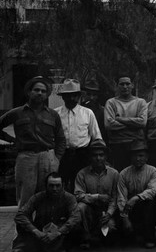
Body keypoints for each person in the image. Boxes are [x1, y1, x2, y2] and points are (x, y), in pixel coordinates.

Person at [0, 76, 66, 208]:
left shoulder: (53, 115)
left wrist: (56, 158)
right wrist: (12, 140)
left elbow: (61, 139)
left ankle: (44, 227)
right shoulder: (17, 113)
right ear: (29, 92)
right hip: (26, 157)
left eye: (43, 91)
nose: (40, 93)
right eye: (36, 90)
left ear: (47, 94)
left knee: (47, 195)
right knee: (25, 196)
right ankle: (23, 227)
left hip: (48, 157)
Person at [14, 172, 80, 252]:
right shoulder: (38, 197)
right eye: (51, 186)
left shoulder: (69, 198)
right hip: (40, 233)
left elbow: (76, 217)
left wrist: (58, 233)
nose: (54, 189)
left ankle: (52, 250)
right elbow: (20, 215)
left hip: (59, 233)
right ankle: (38, 249)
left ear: (63, 185)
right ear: (46, 186)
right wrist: (36, 231)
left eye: (58, 185)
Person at [55, 79, 102, 192]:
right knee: (61, 184)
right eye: (68, 95)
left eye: (74, 95)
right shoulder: (56, 114)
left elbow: (97, 137)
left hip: (82, 155)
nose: (71, 98)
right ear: (63, 97)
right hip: (62, 155)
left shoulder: (87, 113)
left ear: (79, 96)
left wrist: (97, 157)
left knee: (82, 185)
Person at [74, 139, 120, 249]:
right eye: (95, 155)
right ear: (90, 157)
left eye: (101, 155)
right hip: (90, 211)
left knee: (110, 235)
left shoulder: (114, 174)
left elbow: (115, 197)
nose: (98, 158)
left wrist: (109, 214)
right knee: (81, 207)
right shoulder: (82, 174)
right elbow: (78, 195)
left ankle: (103, 233)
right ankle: (86, 236)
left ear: (106, 157)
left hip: (107, 211)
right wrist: (97, 197)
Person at [117, 141, 156, 248]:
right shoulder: (123, 174)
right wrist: (125, 218)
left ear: (147, 157)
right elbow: (121, 197)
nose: (138, 158)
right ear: (130, 157)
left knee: (151, 202)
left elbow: (151, 191)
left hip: (145, 207)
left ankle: (149, 237)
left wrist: (136, 198)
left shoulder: (153, 171)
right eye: (134, 155)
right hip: (129, 208)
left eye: (141, 155)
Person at [104, 76, 148, 172]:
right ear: (117, 86)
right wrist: (133, 124)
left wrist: (119, 119)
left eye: (127, 84)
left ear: (132, 85)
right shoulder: (111, 103)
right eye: (122, 84)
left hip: (136, 144)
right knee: (119, 172)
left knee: (136, 172)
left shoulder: (140, 102)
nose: (125, 87)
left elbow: (142, 122)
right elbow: (109, 124)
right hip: (117, 144)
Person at [82, 79, 106, 143]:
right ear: (84, 94)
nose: (91, 98)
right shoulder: (79, 110)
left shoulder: (102, 111)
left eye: (94, 95)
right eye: (89, 94)